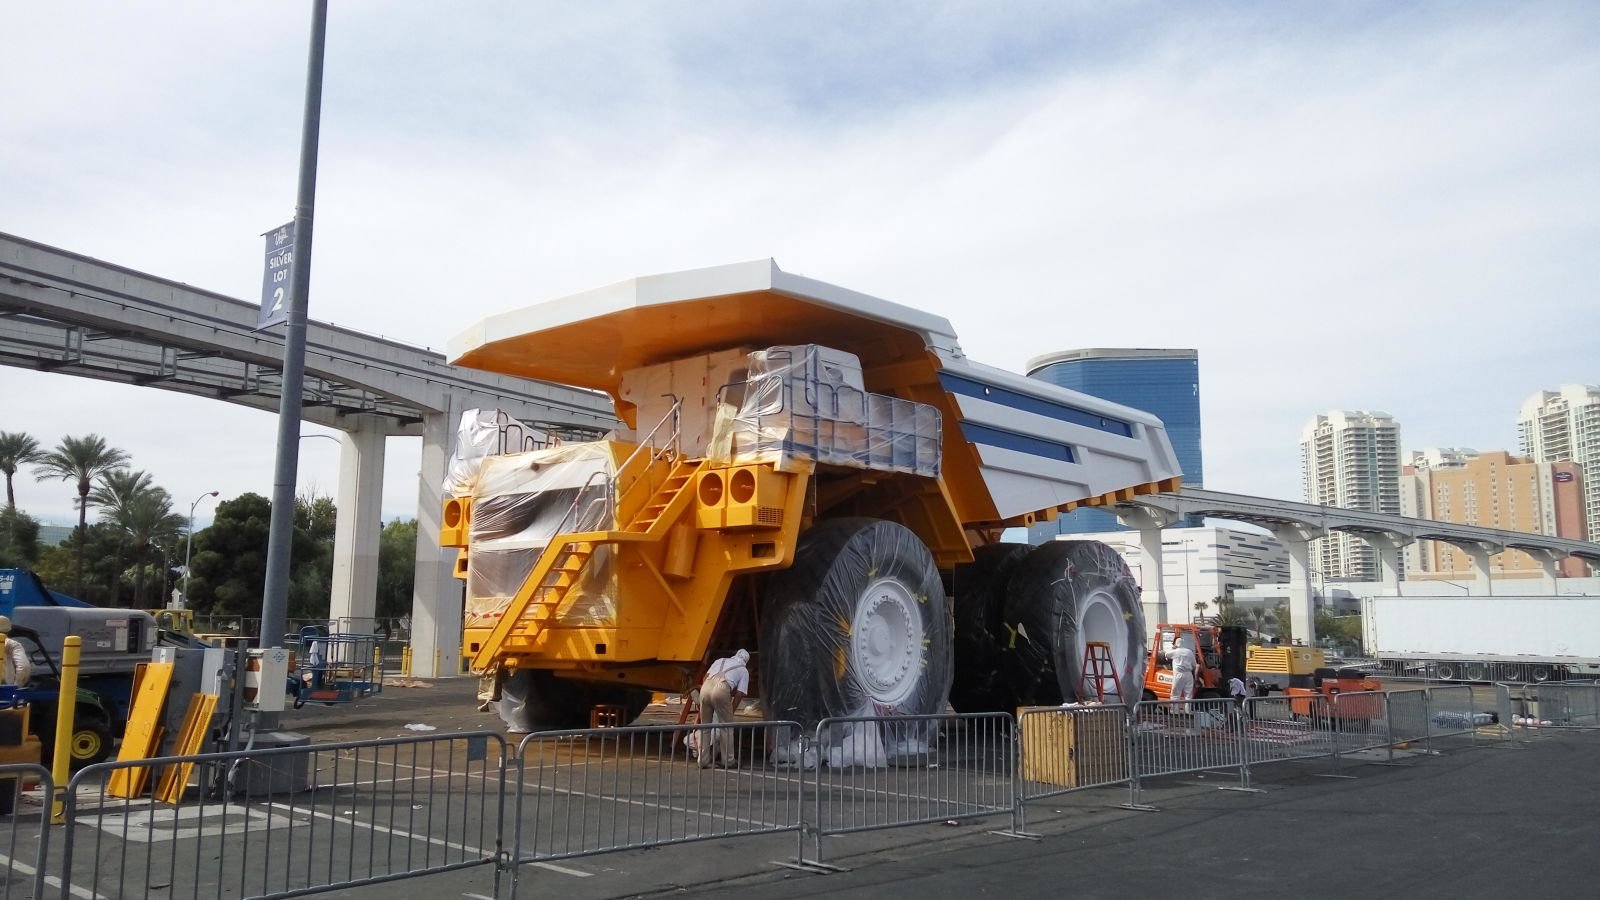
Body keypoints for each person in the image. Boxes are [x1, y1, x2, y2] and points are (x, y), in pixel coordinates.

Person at [698, 649, 749, 769]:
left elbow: (705, 678)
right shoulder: (743, 670)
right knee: (726, 727)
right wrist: (731, 709)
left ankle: (703, 761)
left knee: (705, 726)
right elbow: (739, 694)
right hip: (721, 688)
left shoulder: (719, 660)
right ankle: (728, 761)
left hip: (705, 688)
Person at [0, 616, 33, 688]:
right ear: (9, 629)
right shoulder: (12, 644)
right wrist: (17, 684)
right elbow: (24, 667)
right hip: (4, 688)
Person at [1168, 641, 1197, 713]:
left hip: (1178, 674)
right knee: (1188, 694)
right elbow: (1194, 664)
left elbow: (1166, 654)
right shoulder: (1189, 652)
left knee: (1175, 694)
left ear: (1176, 644)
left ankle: (1175, 711)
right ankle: (1188, 711)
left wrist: (1172, 648)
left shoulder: (1175, 651)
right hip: (1188, 674)